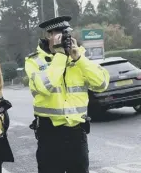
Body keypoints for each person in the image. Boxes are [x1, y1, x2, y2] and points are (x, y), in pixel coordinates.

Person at [25, 16, 110, 173]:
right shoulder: (35, 61)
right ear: (48, 36)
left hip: (77, 134)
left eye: (67, 34)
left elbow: (102, 84)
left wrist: (78, 59)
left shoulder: (79, 57)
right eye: (59, 34)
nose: (65, 38)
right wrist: (60, 56)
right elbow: (45, 86)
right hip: (49, 134)